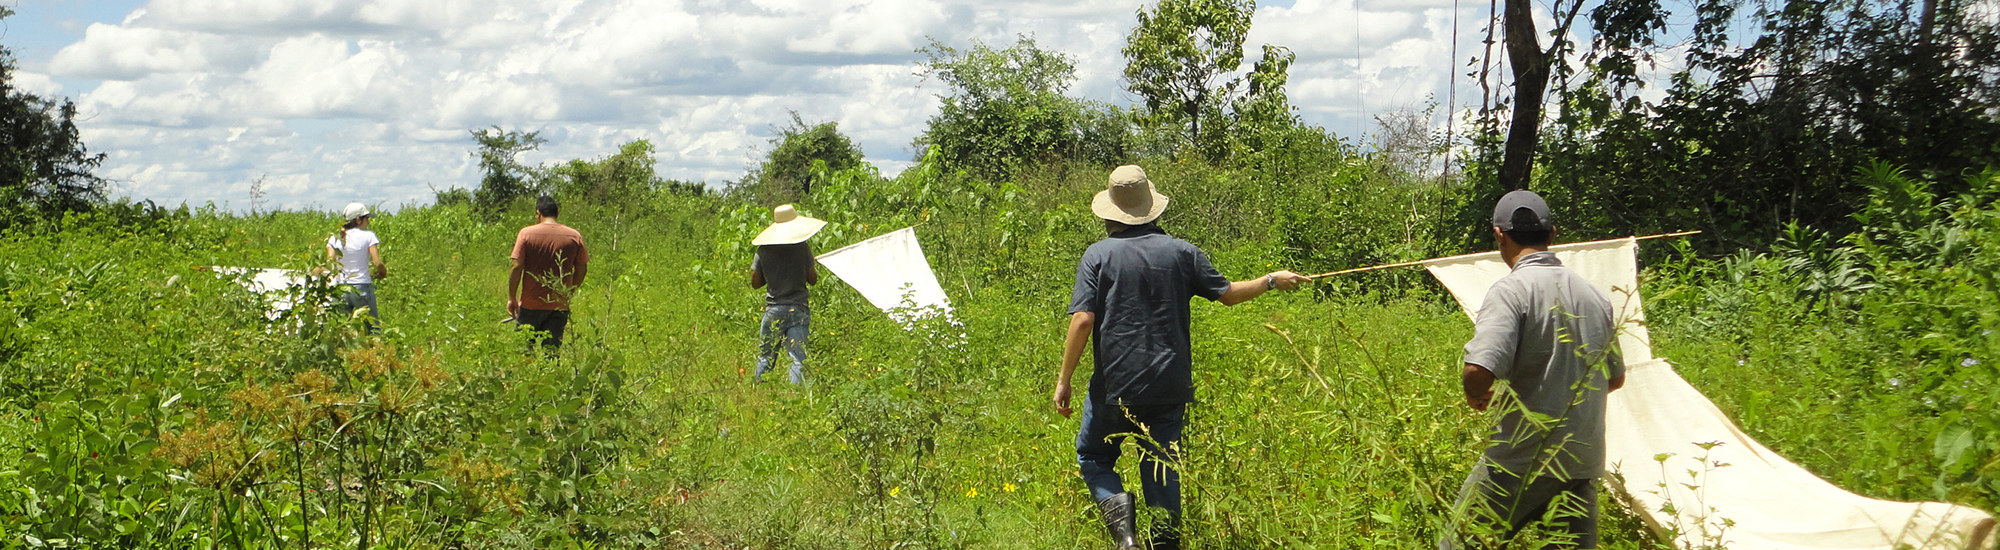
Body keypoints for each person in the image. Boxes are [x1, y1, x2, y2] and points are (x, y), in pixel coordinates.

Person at [1053, 165, 1309, 550]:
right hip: (1169, 384)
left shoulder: (1098, 256)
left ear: (1109, 214)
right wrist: (1271, 279)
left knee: (1092, 455)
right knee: (1160, 466)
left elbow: (1083, 321)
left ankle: (1125, 537)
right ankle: (1166, 543)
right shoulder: (1182, 253)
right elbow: (1229, 294)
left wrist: (1064, 379)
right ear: (1152, 208)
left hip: (1114, 386)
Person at [1441, 189, 1626, 550]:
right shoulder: (1595, 296)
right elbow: (1614, 377)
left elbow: (1478, 372)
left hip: (1522, 460)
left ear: (1499, 235)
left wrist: (1477, 393)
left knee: (1458, 544)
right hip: (1581, 461)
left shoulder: (1511, 291)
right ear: (1552, 235)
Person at [749, 204, 825, 385]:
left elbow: (755, 283)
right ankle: (795, 397)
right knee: (797, 357)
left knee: (765, 357)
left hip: (774, 309)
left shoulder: (763, 250)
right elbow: (812, 280)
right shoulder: (802, 248)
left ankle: (759, 393)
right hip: (798, 308)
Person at [507, 196, 589, 351]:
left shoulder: (526, 234)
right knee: (551, 354)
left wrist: (512, 297)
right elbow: (582, 269)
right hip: (559, 306)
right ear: (557, 213)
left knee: (522, 352)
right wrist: (569, 292)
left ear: (538, 214)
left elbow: (516, 266)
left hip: (531, 305)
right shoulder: (574, 236)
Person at [326, 202, 386, 329]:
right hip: (362, 286)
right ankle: (372, 348)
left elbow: (330, 262)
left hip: (340, 287)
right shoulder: (368, 236)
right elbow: (377, 262)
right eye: (366, 219)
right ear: (358, 220)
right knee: (371, 327)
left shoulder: (335, 238)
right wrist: (383, 272)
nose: (368, 222)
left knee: (343, 329)